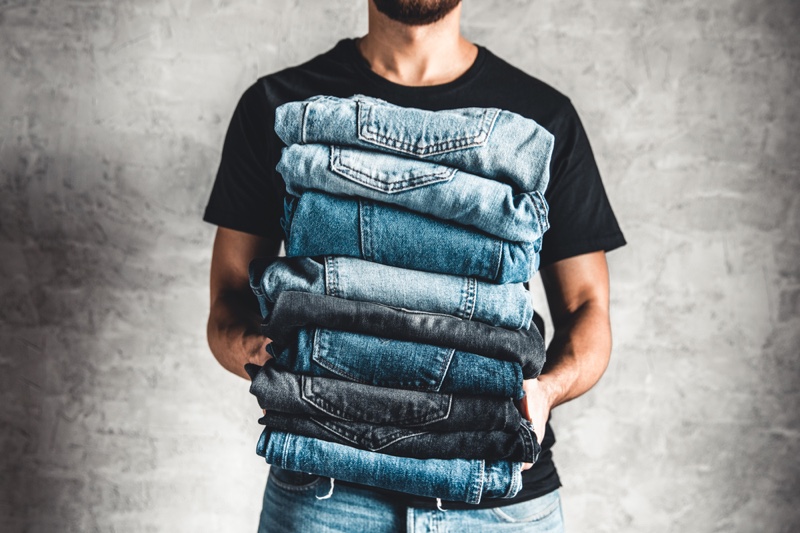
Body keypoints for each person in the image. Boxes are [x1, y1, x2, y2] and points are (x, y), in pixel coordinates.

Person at [203, 1, 626, 531]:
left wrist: (544, 391)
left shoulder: (540, 120)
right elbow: (228, 299)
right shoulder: (280, 105)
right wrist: (264, 354)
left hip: (493, 496)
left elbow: (588, 306)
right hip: (327, 494)